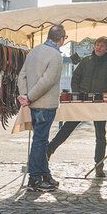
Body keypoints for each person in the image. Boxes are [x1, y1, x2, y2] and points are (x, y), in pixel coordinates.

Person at [46, 36, 107, 178]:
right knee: (68, 127)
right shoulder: (86, 61)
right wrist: (77, 93)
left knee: (100, 135)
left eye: (102, 46)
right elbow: (75, 78)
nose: (98, 48)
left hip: (100, 103)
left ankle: (99, 166)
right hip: (83, 101)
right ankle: (49, 149)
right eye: (97, 45)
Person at [17, 24, 65, 192]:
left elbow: (22, 76)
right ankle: (35, 178)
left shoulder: (34, 51)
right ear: (61, 39)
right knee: (40, 141)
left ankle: (45, 174)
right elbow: (47, 81)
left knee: (41, 140)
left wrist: (25, 95)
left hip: (33, 104)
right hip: (45, 104)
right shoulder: (56, 56)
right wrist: (29, 97)